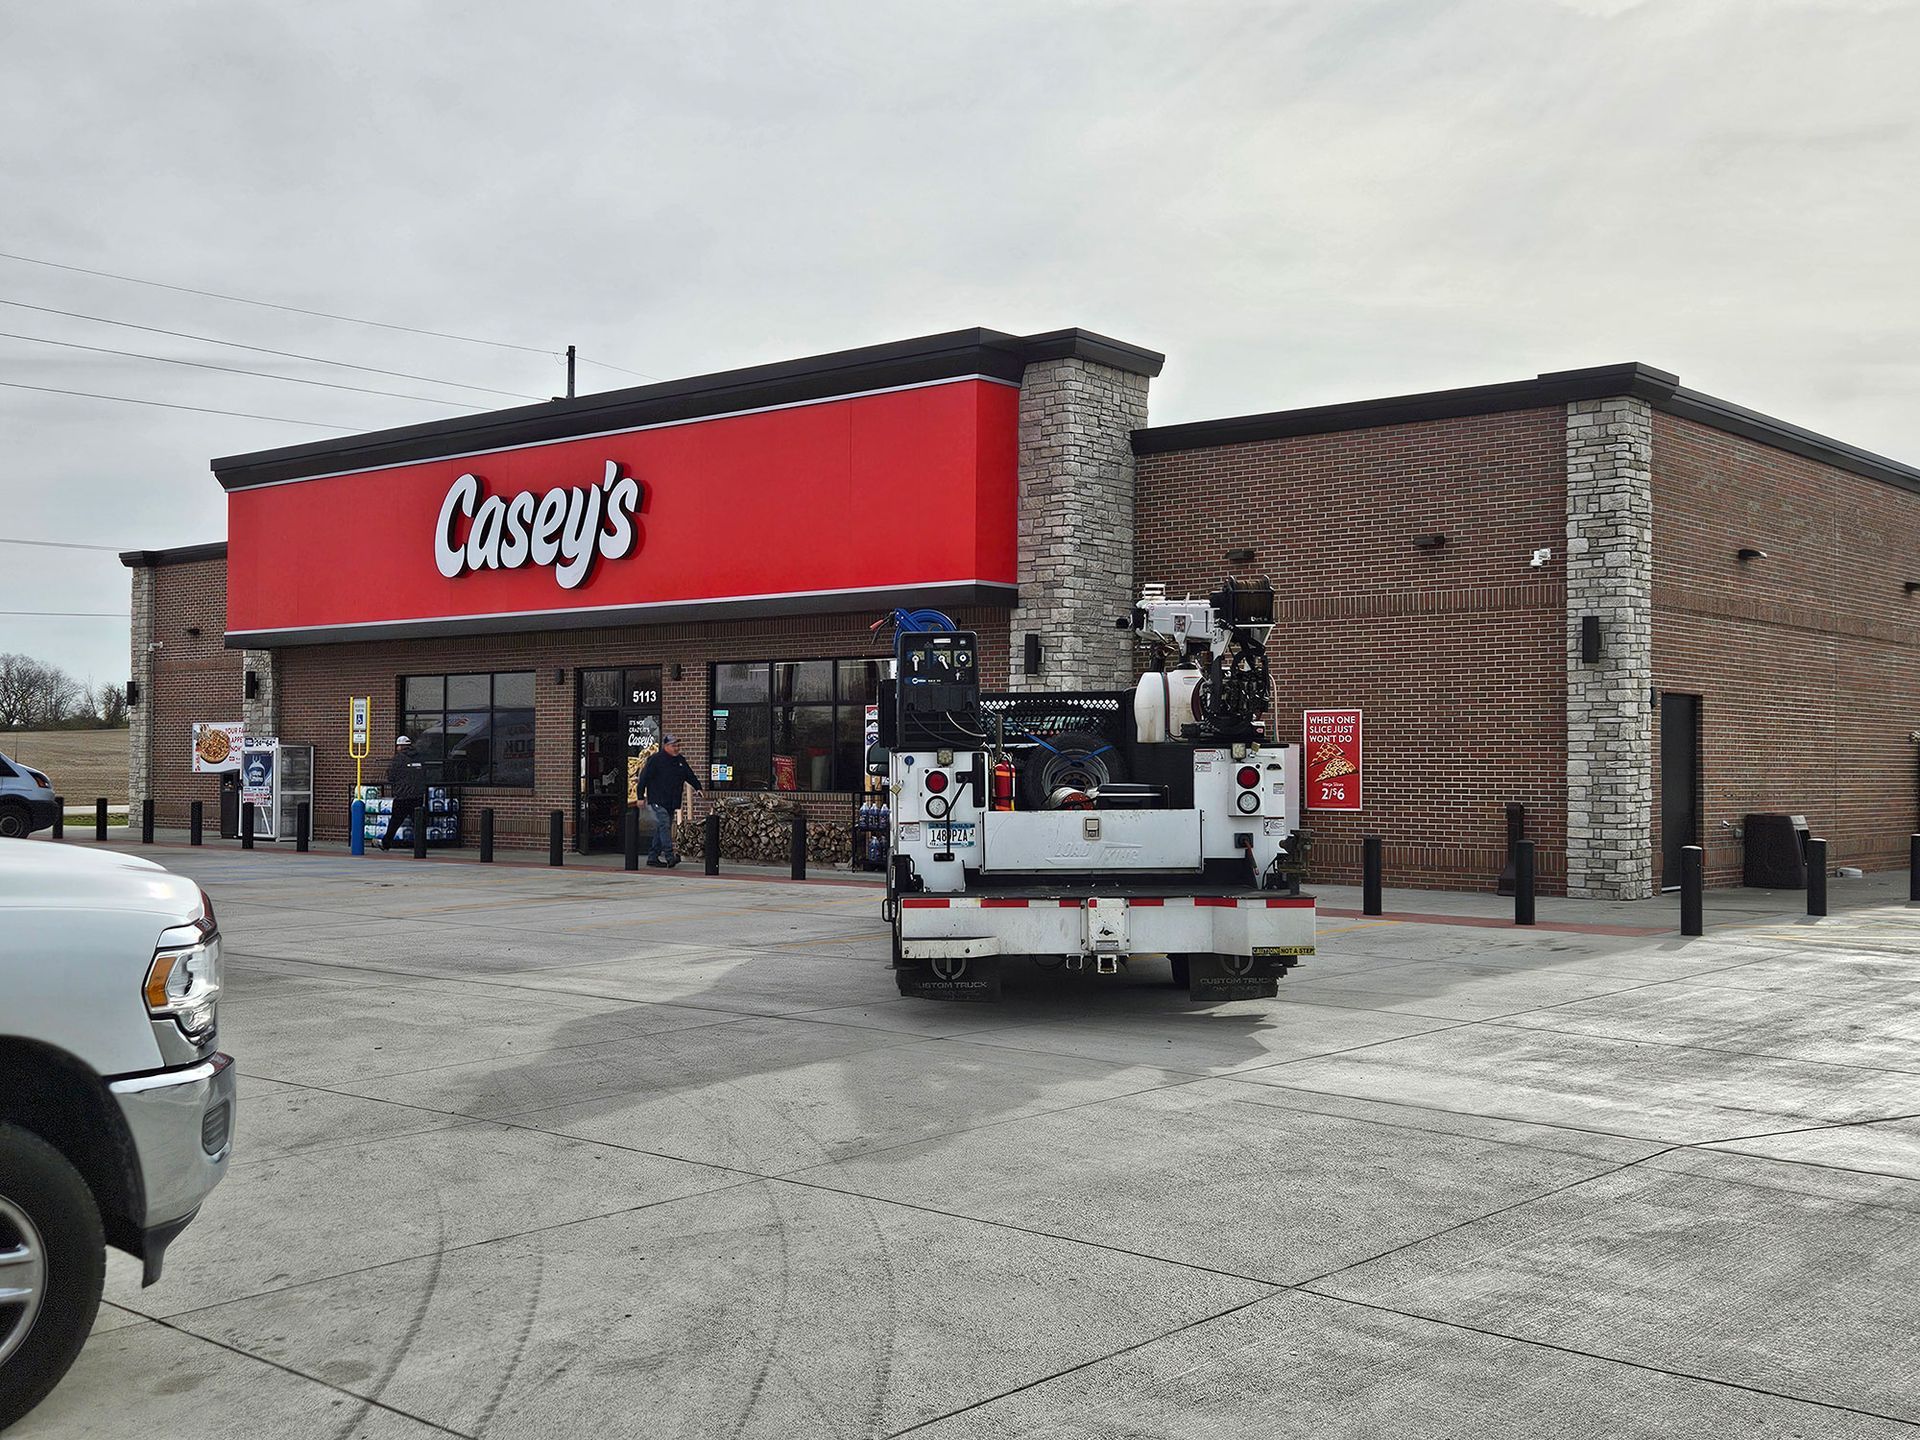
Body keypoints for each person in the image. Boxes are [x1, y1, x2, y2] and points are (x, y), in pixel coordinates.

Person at [635, 735, 701, 867]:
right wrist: (640, 797)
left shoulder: (680, 760)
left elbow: (689, 775)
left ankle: (653, 857)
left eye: (677, 746)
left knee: (662, 828)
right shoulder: (655, 760)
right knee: (664, 825)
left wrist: (698, 788)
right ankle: (670, 856)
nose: (676, 748)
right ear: (666, 746)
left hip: (672, 800)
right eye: (673, 746)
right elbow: (644, 778)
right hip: (657, 799)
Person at [380, 735, 427, 851]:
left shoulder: (398, 759)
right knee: (418, 822)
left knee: (395, 821)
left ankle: (386, 843)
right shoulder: (419, 758)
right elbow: (424, 773)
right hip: (417, 795)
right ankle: (421, 846)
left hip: (402, 796)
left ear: (400, 746)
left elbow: (391, 776)